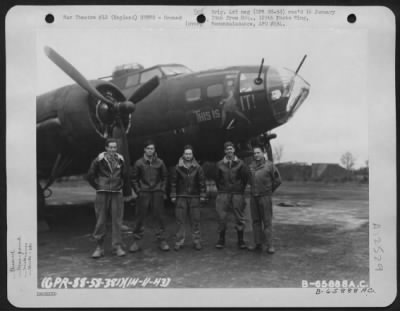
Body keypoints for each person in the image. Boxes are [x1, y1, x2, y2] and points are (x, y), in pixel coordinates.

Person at [86, 138, 128, 258]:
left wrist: (120, 186)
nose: (113, 150)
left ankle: (117, 247)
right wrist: (98, 186)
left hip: (116, 193)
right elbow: (90, 175)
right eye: (110, 147)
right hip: (102, 192)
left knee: (117, 220)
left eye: (114, 147)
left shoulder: (121, 159)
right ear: (106, 148)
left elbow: (125, 175)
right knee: (100, 220)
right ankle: (99, 247)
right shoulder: (99, 160)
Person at [129, 140, 170, 252]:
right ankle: (137, 241)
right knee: (140, 217)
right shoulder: (139, 163)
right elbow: (134, 179)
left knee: (159, 216)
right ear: (144, 149)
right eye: (148, 148)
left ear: (154, 150)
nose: (150, 150)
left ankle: (162, 240)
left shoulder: (160, 163)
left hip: (157, 192)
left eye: (152, 148)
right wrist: (138, 191)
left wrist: (161, 189)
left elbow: (165, 177)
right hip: (144, 193)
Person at [170, 145, 207, 251]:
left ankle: (197, 241)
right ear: (183, 154)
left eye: (190, 154)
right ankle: (179, 241)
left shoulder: (198, 167)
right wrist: (173, 195)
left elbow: (202, 183)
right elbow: (173, 182)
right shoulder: (177, 168)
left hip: (194, 196)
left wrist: (203, 195)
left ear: (192, 155)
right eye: (186, 154)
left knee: (196, 220)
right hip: (181, 196)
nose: (188, 156)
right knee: (180, 220)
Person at [215, 141, 250, 249]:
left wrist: (239, 190)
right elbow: (217, 179)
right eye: (227, 149)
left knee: (239, 217)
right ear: (225, 151)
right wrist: (222, 190)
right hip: (223, 193)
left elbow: (245, 178)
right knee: (222, 216)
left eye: (231, 148)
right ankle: (221, 240)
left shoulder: (241, 163)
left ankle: (240, 240)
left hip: (237, 193)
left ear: (234, 150)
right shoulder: (219, 164)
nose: (229, 151)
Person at [248, 145, 282, 254]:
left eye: (258, 152)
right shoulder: (251, 166)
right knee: (256, 221)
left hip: (265, 197)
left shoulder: (270, 166)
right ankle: (258, 243)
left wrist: (269, 191)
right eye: (254, 153)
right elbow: (250, 181)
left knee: (267, 221)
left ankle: (270, 245)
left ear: (263, 153)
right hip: (254, 197)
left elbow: (278, 180)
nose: (256, 155)